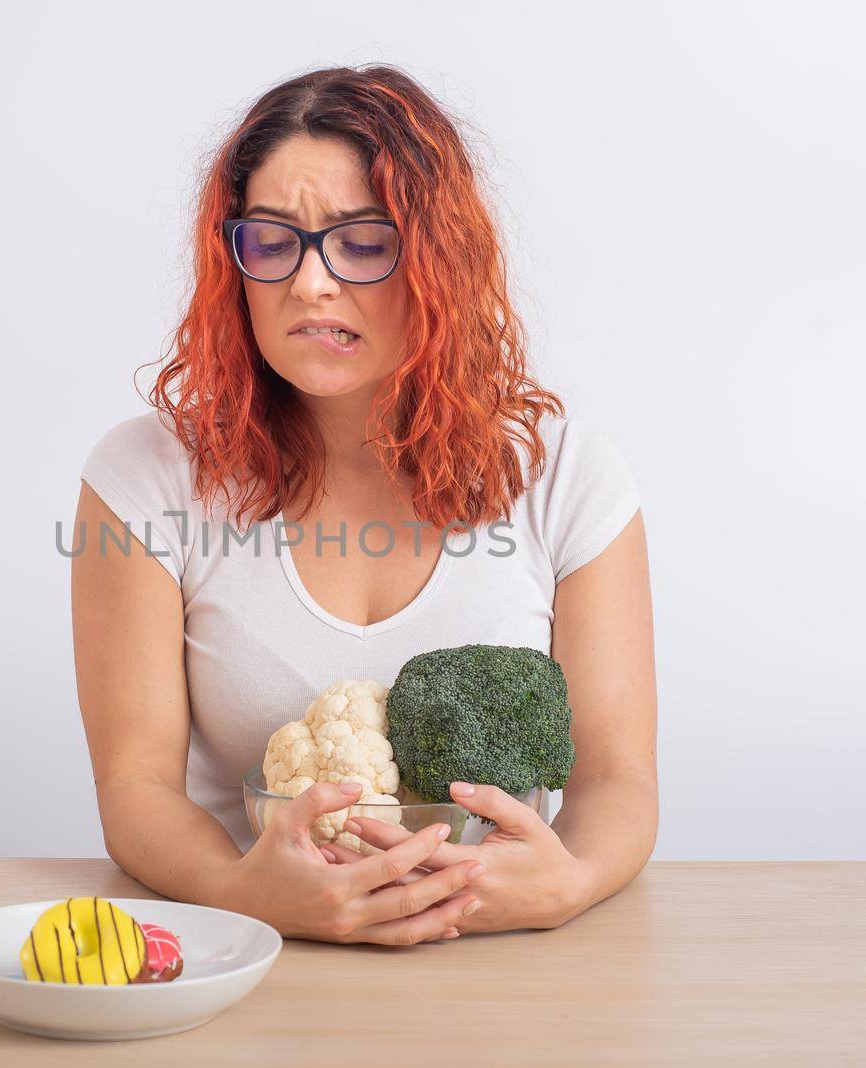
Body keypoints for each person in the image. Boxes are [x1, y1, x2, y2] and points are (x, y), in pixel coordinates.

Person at [69, 64, 656, 946]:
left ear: (437, 260)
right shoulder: (144, 480)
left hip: (504, 973)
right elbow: (135, 790)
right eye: (273, 241)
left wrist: (567, 883)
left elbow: (619, 783)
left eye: (362, 241)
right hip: (249, 962)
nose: (310, 283)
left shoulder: (567, 477)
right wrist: (241, 893)